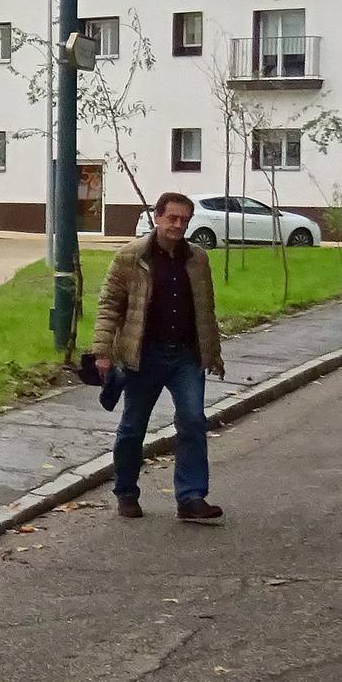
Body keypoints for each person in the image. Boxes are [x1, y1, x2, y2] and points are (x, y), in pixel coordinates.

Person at [91, 190, 226, 521]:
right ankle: (126, 492)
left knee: (193, 421)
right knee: (134, 426)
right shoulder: (131, 257)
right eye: (172, 218)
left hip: (185, 357)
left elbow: (205, 310)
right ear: (157, 217)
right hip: (144, 355)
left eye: (184, 220)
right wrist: (102, 352)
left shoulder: (197, 259)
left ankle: (191, 497)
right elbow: (109, 305)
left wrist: (213, 353)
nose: (178, 225)